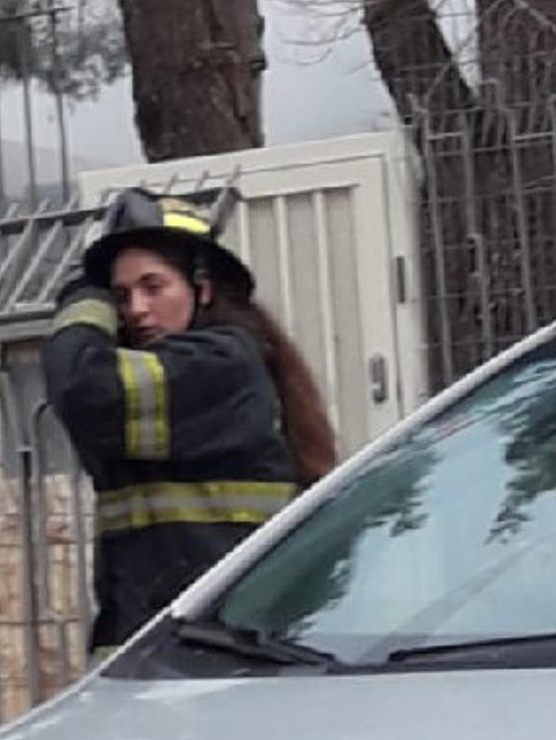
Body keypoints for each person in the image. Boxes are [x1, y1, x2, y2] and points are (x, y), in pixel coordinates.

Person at [45, 188, 338, 653]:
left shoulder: (219, 365)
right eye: (121, 296)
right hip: (171, 647)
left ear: (202, 288)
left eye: (153, 287)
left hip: (218, 650)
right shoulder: (182, 368)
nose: (136, 309)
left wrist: (84, 296)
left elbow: (84, 389)